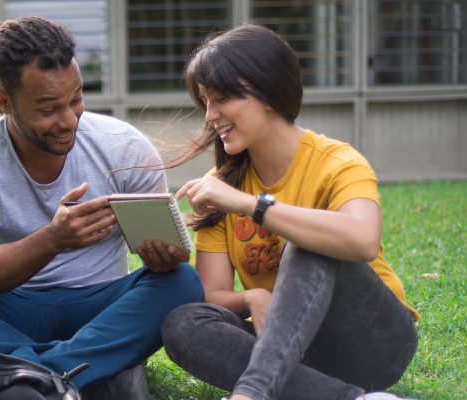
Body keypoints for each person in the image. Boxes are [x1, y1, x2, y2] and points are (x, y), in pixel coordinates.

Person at [0, 16, 203, 399]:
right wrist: (53, 239)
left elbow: (171, 259)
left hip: (99, 311)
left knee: (182, 282)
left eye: (76, 99)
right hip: (8, 310)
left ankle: (24, 377)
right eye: (48, 108)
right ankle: (71, 374)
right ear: (4, 100)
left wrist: (165, 256)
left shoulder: (124, 148)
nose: (69, 120)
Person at [160, 24, 421, 400]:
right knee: (183, 323)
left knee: (307, 243)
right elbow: (213, 294)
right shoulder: (221, 183)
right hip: (291, 350)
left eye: (221, 99)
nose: (210, 116)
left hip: (372, 341)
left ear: (267, 91)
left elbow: (363, 241)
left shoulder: (338, 163)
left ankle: (250, 394)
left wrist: (253, 205)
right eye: (206, 102)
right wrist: (250, 299)